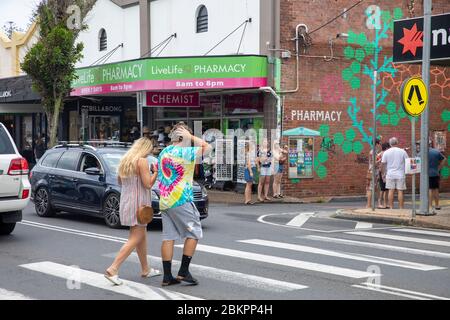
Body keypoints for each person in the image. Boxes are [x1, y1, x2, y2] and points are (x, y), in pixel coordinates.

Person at [157, 122, 210, 286]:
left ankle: (167, 276)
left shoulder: (164, 152)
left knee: (168, 237)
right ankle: (183, 271)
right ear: (182, 137)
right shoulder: (184, 152)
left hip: (165, 199)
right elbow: (207, 148)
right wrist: (191, 137)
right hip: (181, 199)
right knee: (194, 233)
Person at [105, 137, 160, 285]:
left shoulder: (125, 160)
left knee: (140, 236)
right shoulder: (141, 161)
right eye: (149, 149)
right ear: (145, 148)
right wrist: (155, 172)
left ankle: (145, 269)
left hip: (127, 201)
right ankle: (113, 268)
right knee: (135, 238)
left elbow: (119, 181)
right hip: (139, 204)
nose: (150, 153)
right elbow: (148, 184)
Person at [381, 137, 409, 209]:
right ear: (397, 143)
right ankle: (401, 207)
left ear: (390, 144)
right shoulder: (402, 151)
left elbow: (383, 164)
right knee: (400, 191)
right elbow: (408, 161)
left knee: (391, 191)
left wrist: (383, 174)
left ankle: (391, 207)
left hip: (390, 174)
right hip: (400, 174)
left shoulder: (386, 152)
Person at [429, 141, 446, 212]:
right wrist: (439, 168)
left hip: (426, 174)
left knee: (429, 189)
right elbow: (444, 159)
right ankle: (437, 205)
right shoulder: (436, 152)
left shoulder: (421, 153)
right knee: (435, 189)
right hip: (435, 173)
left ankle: (429, 206)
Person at [366, 139, 381, 208]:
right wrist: (381, 160)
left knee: (374, 188)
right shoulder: (373, 152)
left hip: (373, 172)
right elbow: (374, 163)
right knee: (370, 188)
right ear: (377, 144)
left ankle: (371, 204)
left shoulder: (374, 152)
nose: (379, 145)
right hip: (373, 172)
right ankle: (368, 205)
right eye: (379, 143)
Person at [377, 142, 390, 209]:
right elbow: (376, 163)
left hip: (384, 172)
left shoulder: (380, 154)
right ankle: (380, 203)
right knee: (383, 189)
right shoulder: (383, 154)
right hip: (383, 172)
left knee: (385, 189)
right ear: (387, 148)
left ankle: (385, 203)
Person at [244, 141, 257, 205]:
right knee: (248, 184)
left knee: (250, 184)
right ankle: (247, 200)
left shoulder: (252, 153)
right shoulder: (248, 153)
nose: (254, 146)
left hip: (253, 168)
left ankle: (249, 199)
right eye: (252, 145)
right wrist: (251, 171)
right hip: (249, 169)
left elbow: (254, 161)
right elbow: (248, 163)